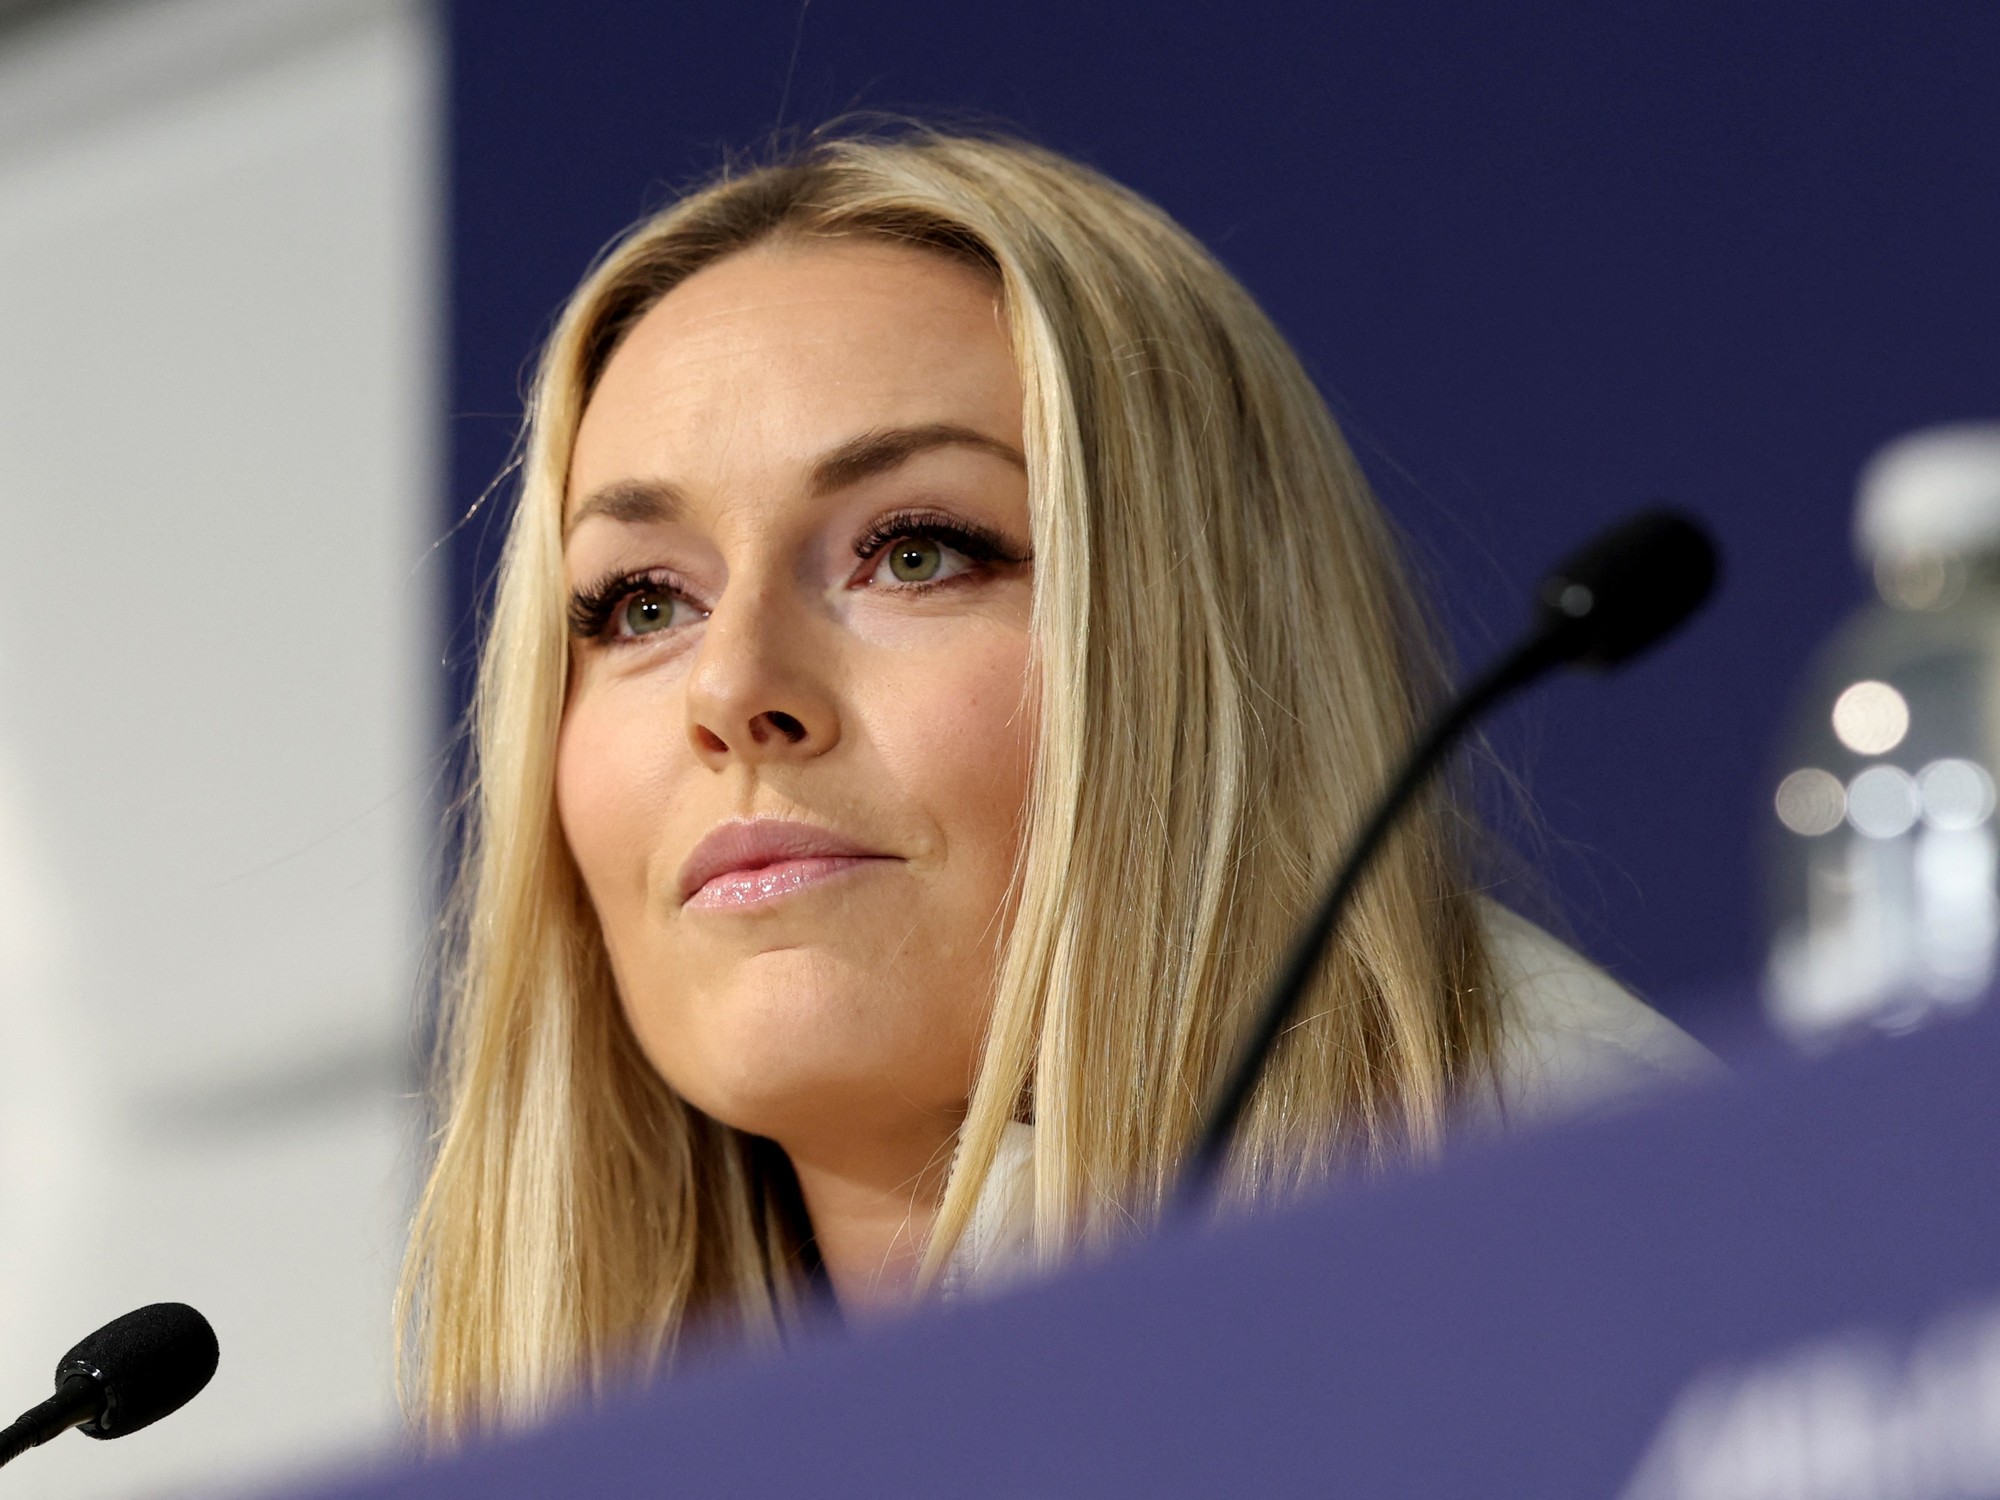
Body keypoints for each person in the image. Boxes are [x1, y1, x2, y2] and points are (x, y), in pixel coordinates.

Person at [400, 126, 1712, 1438]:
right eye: (641, 604)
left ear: (1195, 647)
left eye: (915, 552)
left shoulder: (1613, 1246)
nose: (733, 689)